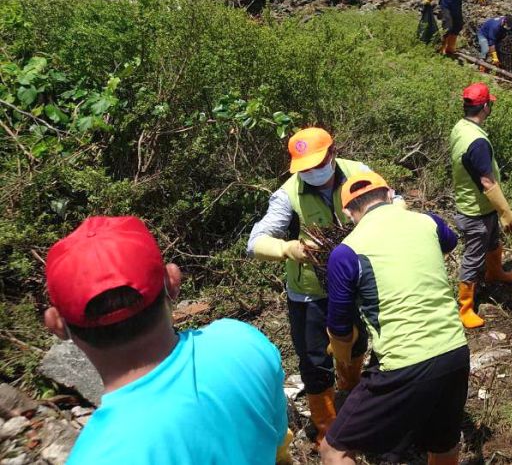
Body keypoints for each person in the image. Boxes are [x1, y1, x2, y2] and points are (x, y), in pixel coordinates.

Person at [47, 216, 290, 465]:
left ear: (56, 324)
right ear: (172, 282)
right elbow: (278, 438)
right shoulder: (243, 342)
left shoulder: (96, 457)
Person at [320, 173, 468, 465]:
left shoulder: (346, 252)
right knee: (443, 444)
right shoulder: (429, 222)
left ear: (349, 213)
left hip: (402, 363)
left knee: (333, 450)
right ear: (390, 195)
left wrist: (343, 358)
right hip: (455, 352)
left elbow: (339, 328)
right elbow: (448, 242)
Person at [247, 127, 372, 444]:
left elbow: (393, 202)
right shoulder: (288, 194)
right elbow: (256, 242)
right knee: (314, 359)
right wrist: (288, 249)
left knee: (356, 341)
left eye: (318, 164)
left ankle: (350, 387)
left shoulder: (359, 173)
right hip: (309, 293)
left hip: (354, 282)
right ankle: (326, 427)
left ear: (333, 153)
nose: (313, 172)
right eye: (305, 168)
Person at [450, 82, 512, 329]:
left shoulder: (461, 127)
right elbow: (487, 181)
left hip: (478, 204)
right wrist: (505, 211)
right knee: (473, 258)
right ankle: (465, 308)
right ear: (486, 106)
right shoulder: (476, 141)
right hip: (475, 209)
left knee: (492, 241)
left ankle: (495, 273)